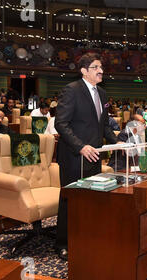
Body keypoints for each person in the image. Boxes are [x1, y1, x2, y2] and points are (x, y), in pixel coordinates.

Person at [54, 53, 121, 260]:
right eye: (95, 67)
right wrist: (81, 146)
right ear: (84, 71)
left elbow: (103, 124)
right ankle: (63, 243)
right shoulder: (71, 90)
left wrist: (116, 142)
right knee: (70, 199)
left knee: (92, 197)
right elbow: (61, 124)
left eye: (101, 67)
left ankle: (86, 235)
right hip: (75, 156)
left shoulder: (101, 93)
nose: (101, 71)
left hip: (95, 156)